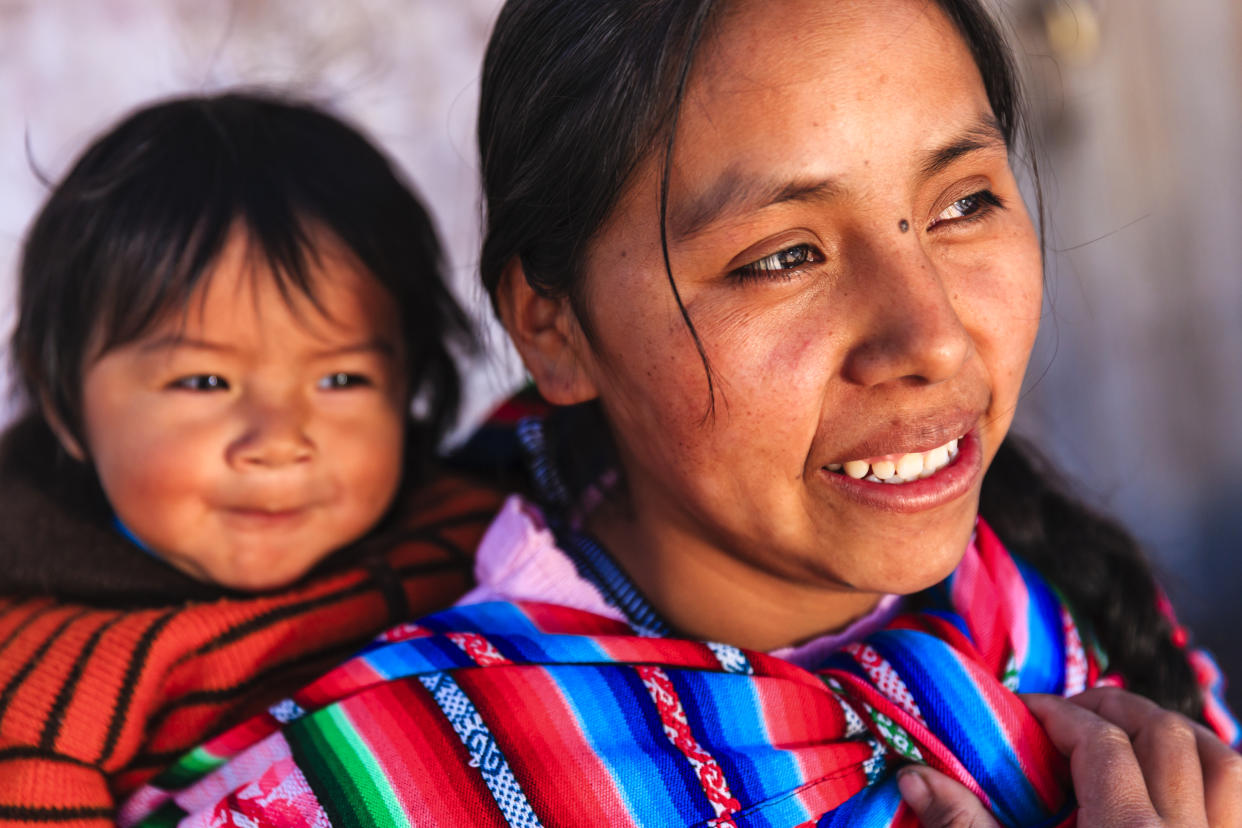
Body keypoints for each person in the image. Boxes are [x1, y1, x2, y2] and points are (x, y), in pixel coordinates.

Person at [117, 2, 1242, 826]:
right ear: (552, 328)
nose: (933, 336)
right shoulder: (383, 790)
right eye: (783, 256)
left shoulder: (1059, 613)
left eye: (963, 202)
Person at [0, 92, 504, 825]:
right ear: (66, 409)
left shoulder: (483, 534)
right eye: (205, 381)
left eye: (341, 379)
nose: (277, 441)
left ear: (409, 389)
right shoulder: (44, 681)